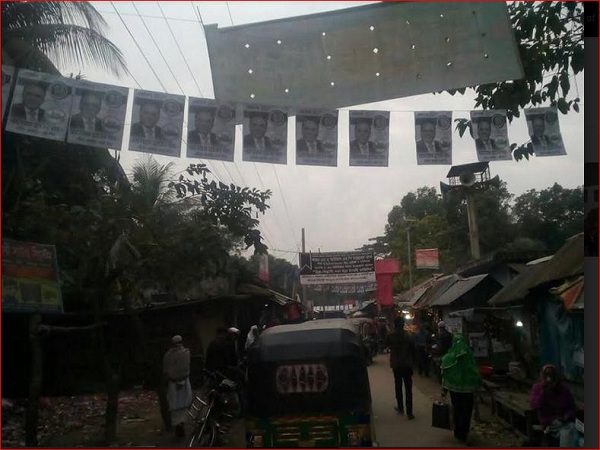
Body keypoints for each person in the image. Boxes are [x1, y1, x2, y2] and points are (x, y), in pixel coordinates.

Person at [440, 334, 482, 444]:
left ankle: (458, 432)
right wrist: (478, 382)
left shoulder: (449, 357)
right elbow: (474, 371)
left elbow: (445, 373)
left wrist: (444, 390)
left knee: (457, 410)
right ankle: (464, 432)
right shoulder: (468, 356)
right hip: (468, 391)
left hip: (454, 391)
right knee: (466, 412)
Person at [529, 364, 577, 447]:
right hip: (549, 423)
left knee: (573, 432)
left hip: (565, 422)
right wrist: (543, 392)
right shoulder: (538, 388)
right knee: (566, 433)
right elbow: (534, 405)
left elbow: (572, 407)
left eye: (551, 375)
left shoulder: (564, 390)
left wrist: (567, 416)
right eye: (546, 375)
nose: (549, 378)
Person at [386, 317, 417, 419]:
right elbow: (413, 350)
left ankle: (400, 407)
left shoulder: (390, 335)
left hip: (396, 364)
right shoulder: (408, 336)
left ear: (395, 325)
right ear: (403, 324)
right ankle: (410, 412)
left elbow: (386, 345)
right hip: (407, 364)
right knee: (408, 388)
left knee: (398, 386)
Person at [162, 335, 193, 438]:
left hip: (173, 383)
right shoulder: (186, 353)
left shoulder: (168, 355)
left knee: (174, 405)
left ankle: (177, 425)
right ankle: (181, 423)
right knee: (184, 404)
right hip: (185, 382)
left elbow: (165, 371)